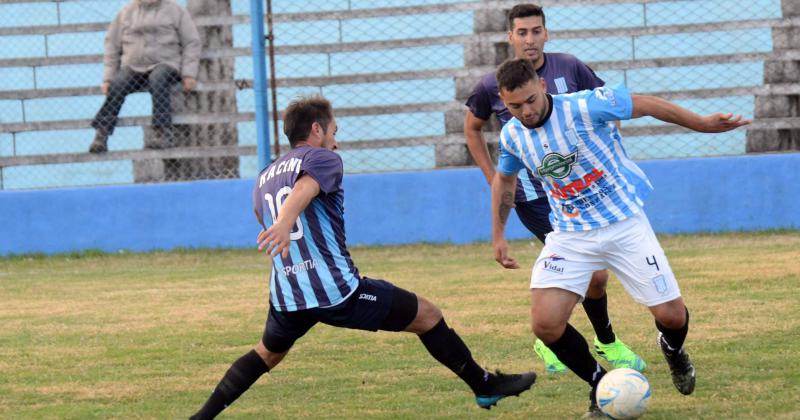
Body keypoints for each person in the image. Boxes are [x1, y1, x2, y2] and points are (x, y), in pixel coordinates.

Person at [189, 96, 537, 419]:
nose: (335, 141)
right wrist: (285, 221)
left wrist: (280, 224)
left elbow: (257, 211)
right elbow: (305, 187)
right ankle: (485, 385)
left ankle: (200, 417)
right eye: (333, 131)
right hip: (337, 292)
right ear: (316, 129)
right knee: (428, 315)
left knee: (267, 354)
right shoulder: (322, 158)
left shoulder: (265, 174)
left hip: (288, 294)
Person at [490, 58, 749, 416]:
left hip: (623, 222)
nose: (526, 111)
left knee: (672, 317)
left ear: (543, 87)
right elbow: (505, 179)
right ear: (504, 101)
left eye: (531, 100)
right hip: (570, 235)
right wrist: (498, 234)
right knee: (546, 324)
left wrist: (701, 124)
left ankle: (673, 351)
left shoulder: (586, 105)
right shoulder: (512, 135)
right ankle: (601, 388)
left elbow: (646, 104)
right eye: (514, 106)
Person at [465, 3, 644, 374]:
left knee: (595, 274)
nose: (529, 39)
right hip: (534, 197)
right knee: (592, 271)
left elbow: (606, 109)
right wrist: (494, 179)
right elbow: (472, 127)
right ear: (510, 36)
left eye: (535, 31)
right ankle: (595, 341)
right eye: (522, 32)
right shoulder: (492, 85)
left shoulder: (571, 67)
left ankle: (560, 336)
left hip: (581, 190)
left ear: (546, 33)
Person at [88, 0, 201, 153]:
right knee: (119, 83)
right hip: (134, 67)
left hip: (166, 64)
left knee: (158, 78)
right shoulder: (126, 12)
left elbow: (192, 42)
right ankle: (101, 134)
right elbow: (112, 45)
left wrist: (189, 74)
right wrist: (108, 79)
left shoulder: (175, 10)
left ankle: (163, 132)